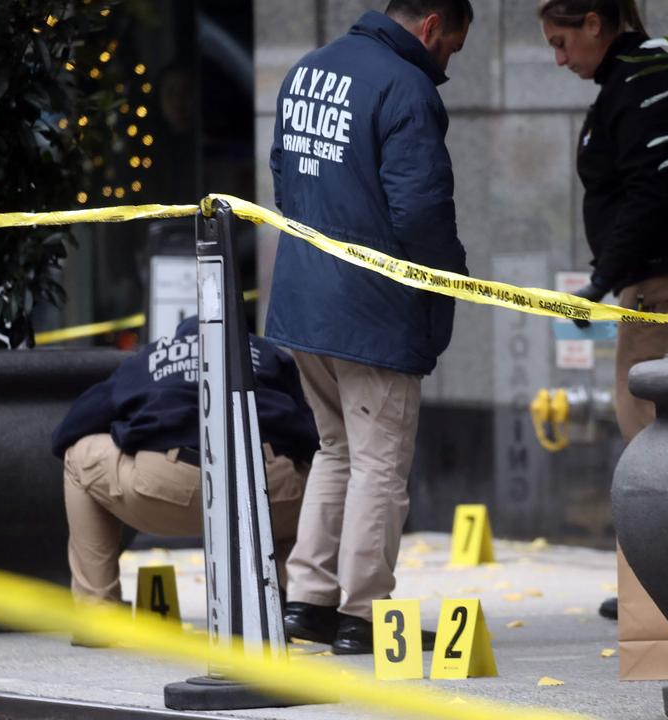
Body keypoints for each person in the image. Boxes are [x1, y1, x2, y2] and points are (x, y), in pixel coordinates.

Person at [266, 0, 473, 655]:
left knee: (336, 452)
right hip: (375, 313)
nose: (447, 66)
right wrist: (448, 288)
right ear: (433, 25)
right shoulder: (405, 86)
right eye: (452, 49)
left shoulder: (308, 70)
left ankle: (308, 602)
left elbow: (282, 176)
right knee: (380, 464)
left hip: (303, 303)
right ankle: (363, 615)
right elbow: (420, 215)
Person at [538, 0, 668, 621]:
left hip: (662, 282)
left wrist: (601, 278)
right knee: (653, 430)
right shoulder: (633, 78)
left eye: (563, 42)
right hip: (657, 278)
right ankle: (664, 586)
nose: (560, 59)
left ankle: (662, 591)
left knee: (648, 434)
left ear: (596, 22)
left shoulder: (641, 81)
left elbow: (649, 189)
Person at [52, 317, 319, 616]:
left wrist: (129, 431)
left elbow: (72, 426)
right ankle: (289, 603)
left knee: (78, 456)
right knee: (317, 477)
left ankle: (96, 610)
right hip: (261, 493)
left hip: (162, 486)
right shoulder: (269, 356)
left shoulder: (150, 358)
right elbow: (310, 435)